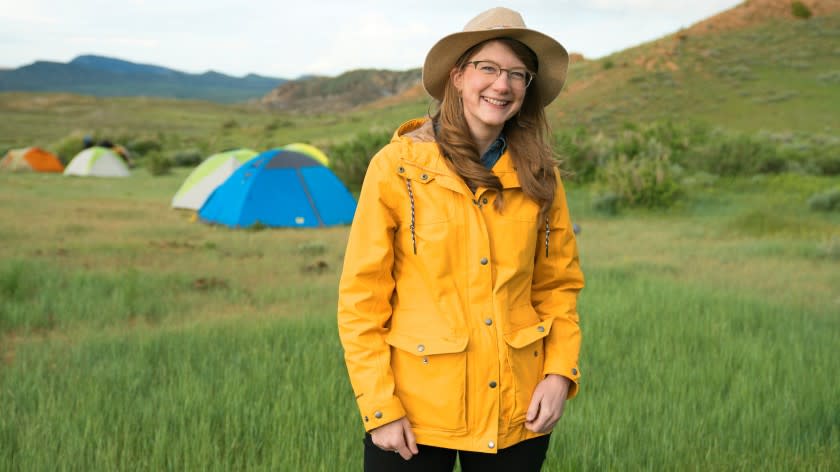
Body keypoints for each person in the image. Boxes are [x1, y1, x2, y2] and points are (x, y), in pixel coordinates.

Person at [337, 7, 584, 471]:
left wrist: (558, 373)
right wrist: (379, 408)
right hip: (412, 416)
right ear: (457, 76)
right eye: (487, 68)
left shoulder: (540, 175)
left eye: (517, 74)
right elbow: (362, 301)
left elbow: (558, 287)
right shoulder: (396, 168)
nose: (502, 84)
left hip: (518, 410)